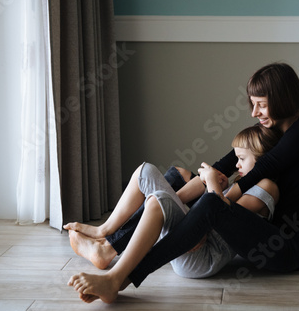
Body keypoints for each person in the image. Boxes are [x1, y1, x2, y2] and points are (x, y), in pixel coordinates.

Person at [68, 62, 299, 304]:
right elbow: (223, 166)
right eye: (252, 104)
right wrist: (192, 188)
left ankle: (119, 278)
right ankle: (110, 244)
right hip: (255, 231)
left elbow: (264, 168)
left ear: (282, 99)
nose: (254, 112)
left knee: (212, 204)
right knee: (177, 176)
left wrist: (213, 203)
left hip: (287, 249)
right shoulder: (267, 130)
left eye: (261, 104)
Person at [66, 124, 282, 303]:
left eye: (242, 159)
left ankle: (114, 279)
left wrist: (213, 185)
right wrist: (212, 183)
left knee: (158, 199)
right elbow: (215, 206)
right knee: (146, 171)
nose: (236, 164)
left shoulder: (266, 187)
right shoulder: (244, 183)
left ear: (262, 160)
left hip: (202, 258)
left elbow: (220, 217)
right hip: (193, 242)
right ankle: (105, 233)